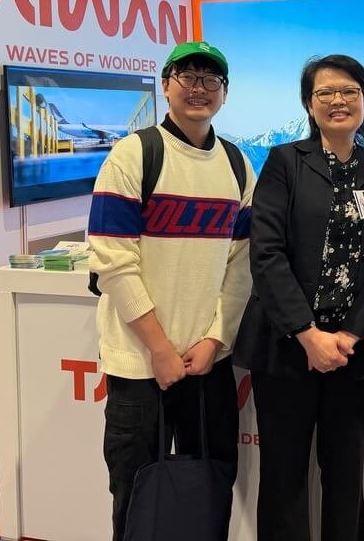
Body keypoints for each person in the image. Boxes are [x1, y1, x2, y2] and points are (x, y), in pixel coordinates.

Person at [88, 40, 255, 541]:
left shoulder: (236, 163)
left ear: (224, 93)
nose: (199, 89)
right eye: (188, 77)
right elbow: (113, 261)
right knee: (137, 495)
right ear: (166, 86)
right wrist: (160, 349)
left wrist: (213, 343)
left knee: (209, 487)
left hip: (207, 364)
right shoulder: (134, 153)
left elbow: (241, 265)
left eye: (211, 80)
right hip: (141, 366)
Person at [233, 54, 364, 541]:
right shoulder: (286, 162)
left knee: (346, 474)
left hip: (351, 351)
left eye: (349, 91)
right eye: (325, 92)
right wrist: (308, 335)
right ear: (309, 104)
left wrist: (349, 334)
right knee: (284, 474)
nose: (338, 100)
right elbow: (266, 252)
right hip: (287, 346)